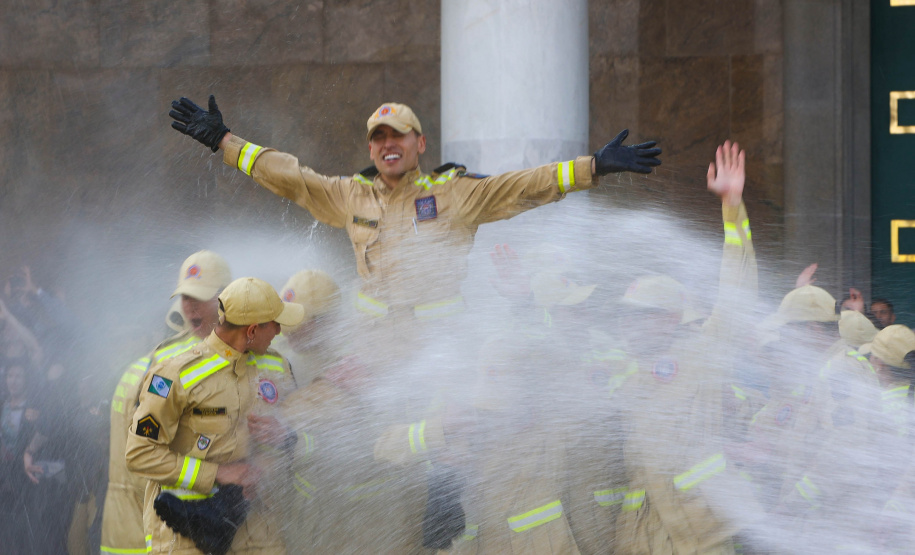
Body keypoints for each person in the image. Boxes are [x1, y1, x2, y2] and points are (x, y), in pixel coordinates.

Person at [167, 97, 661, 328]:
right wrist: (225, 142)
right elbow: (292, 178)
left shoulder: (454, 193)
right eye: (379, 138)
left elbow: (521, 187)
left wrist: (592, 166)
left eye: (398, 136)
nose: (388, 145)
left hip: (440, 346)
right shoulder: (350, 195)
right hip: (374, 345)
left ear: (419, 143)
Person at [611, 141, 763, 554]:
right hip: (643, 541)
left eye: (641, 314)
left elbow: (739, 289)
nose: (629, 324)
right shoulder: (623, 378)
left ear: (670, 318)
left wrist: (732, 205)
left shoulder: (703, 353)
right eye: (626, 315)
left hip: (703, 538)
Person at [125, 277, 304, 555]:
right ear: (253, 330)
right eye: (274, 324)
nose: (280, 331)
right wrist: (218, 473)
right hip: (187, 532)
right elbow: (140, 454)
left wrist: (287, 438)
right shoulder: (175, 375)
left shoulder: (276, 366)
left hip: (259, 532)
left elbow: (301, 437)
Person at [101, 250, 232, 555]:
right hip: (172, 519)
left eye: (197, 299)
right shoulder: (168, 363)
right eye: (185, 300)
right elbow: (146, 452)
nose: (190, 309)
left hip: (136, 519)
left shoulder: (143, 366)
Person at [0, 358, 40, 554]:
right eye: (9, 376)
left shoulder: (33, 407)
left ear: (26, 380)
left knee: (21, 533)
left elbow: (45, 433)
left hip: (22, 480)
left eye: (18, 376)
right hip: (2, 476)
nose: (13, 380)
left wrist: (36, 420)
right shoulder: (1, 404)